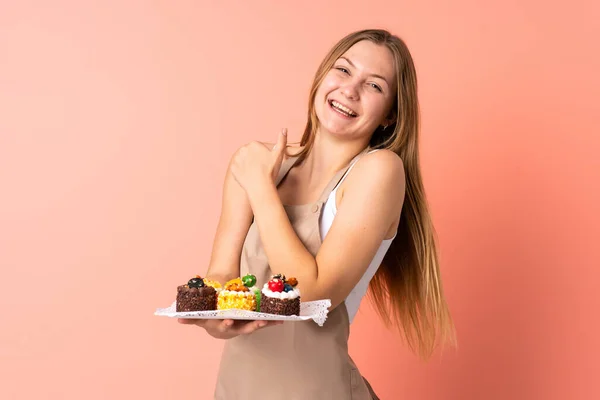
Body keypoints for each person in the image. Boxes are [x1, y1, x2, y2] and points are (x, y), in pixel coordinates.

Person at [178, 28, 456, 399]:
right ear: (322, 77)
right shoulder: (255, 163)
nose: (349, 90)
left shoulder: (378, 172)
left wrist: (261, 188)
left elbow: (311, 294)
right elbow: (221, 279)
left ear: (390, 115)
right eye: (343, 70)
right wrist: (216, 322)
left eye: (374, 86)